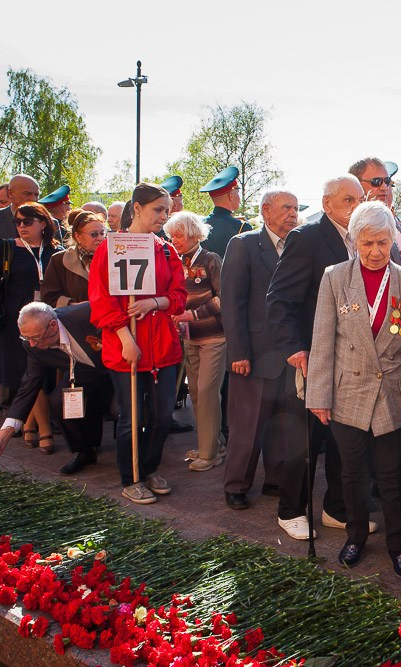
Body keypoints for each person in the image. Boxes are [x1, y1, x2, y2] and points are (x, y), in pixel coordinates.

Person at [307, 201, 401, 577]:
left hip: (392, 394)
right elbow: (322, 341)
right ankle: (355, 537)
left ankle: (399, 547)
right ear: (354, 241)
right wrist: (319, 396)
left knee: (392, 478)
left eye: (382, 242)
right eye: (367, 243)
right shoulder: (335, 278)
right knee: (352, 475)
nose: (376, 251)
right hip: (348, 392)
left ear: (393, 239)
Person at [267, 175, 364, 534]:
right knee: (305, 439)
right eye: (348, 200)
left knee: (343, 440)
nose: (356, 206)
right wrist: (294, 348)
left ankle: (336, 509)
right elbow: (280, 299)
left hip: (351, 361)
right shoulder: (306, 238)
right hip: (313, 358)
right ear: (327, 204)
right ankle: (291, 511)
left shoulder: (361, 239)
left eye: (359, 200)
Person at [89, 182, 185, 505]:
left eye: (166, 211)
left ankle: (149, 467)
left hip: (163, 347)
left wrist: (154, 302)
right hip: (127, 346)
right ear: (138, 208)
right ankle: (130, 477)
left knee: (162, 415)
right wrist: (125, 338)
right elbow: (102, 300)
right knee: (132, 417)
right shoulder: (110, 248)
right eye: (158, 210)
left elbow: (179, 296)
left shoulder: (167, 250)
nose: (163, 216)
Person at [222, 189, 309, 525]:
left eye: (295, 208)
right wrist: (238, 352)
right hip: (254, 355)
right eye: (286, 207)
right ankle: (236, 485)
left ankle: (275, 479)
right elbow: (232, 303)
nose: (292, 213)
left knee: (281, 424)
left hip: (290, 355)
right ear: (266, 211)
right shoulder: (243, 245)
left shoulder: (298, 244)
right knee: (247, 425)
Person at [0, 303, 112, 475]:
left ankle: (134, 463)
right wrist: (1, 439)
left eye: (36, 337)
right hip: (83, 370)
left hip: (121, 364)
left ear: (53, 326)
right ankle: (84, 451)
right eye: (26, 338)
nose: (32, 344)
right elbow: (28, 387)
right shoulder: (32, 346)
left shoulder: (84, 314)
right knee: (58, 401)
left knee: (122, 411)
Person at [0, 202, 61, 451]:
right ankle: (44, 429)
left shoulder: (55, 251)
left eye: (27, 221)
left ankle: (30, 423)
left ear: (43, 223)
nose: (21, 226)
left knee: (40, 374)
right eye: (17, 222)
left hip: (49, 324)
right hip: (14, 324)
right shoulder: (4, 248)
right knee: (27, 374)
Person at [163, 211, 226, 472]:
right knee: (196, 394)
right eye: (172, 235)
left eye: (179, 235)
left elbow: (225, 297)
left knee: (207, 392)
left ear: (193, 234)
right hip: (189, 337)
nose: (174, 240)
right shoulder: (174, 260)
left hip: (214, 336)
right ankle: (211, 444)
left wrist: (194, 314)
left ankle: (209, 454)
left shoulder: (211, 259)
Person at [348, 157, 401, 271]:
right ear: (356, 186)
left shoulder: (399, 226)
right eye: (376, 182)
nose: (384, 187)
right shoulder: (350, 232)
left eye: (387, 181)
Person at [41, 211, 106, 307]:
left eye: (102, 233)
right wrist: (73, 305)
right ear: (77, 236)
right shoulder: (59, 259)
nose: (100, 238)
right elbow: (48, 297)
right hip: (76, 315)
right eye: (94, 234)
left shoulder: (113, 258)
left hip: (108, 315)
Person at [200, 167, 249, 258]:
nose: (239, 198)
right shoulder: (241, 227)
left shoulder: (199, 225)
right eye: (237, 192)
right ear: (231, 196)